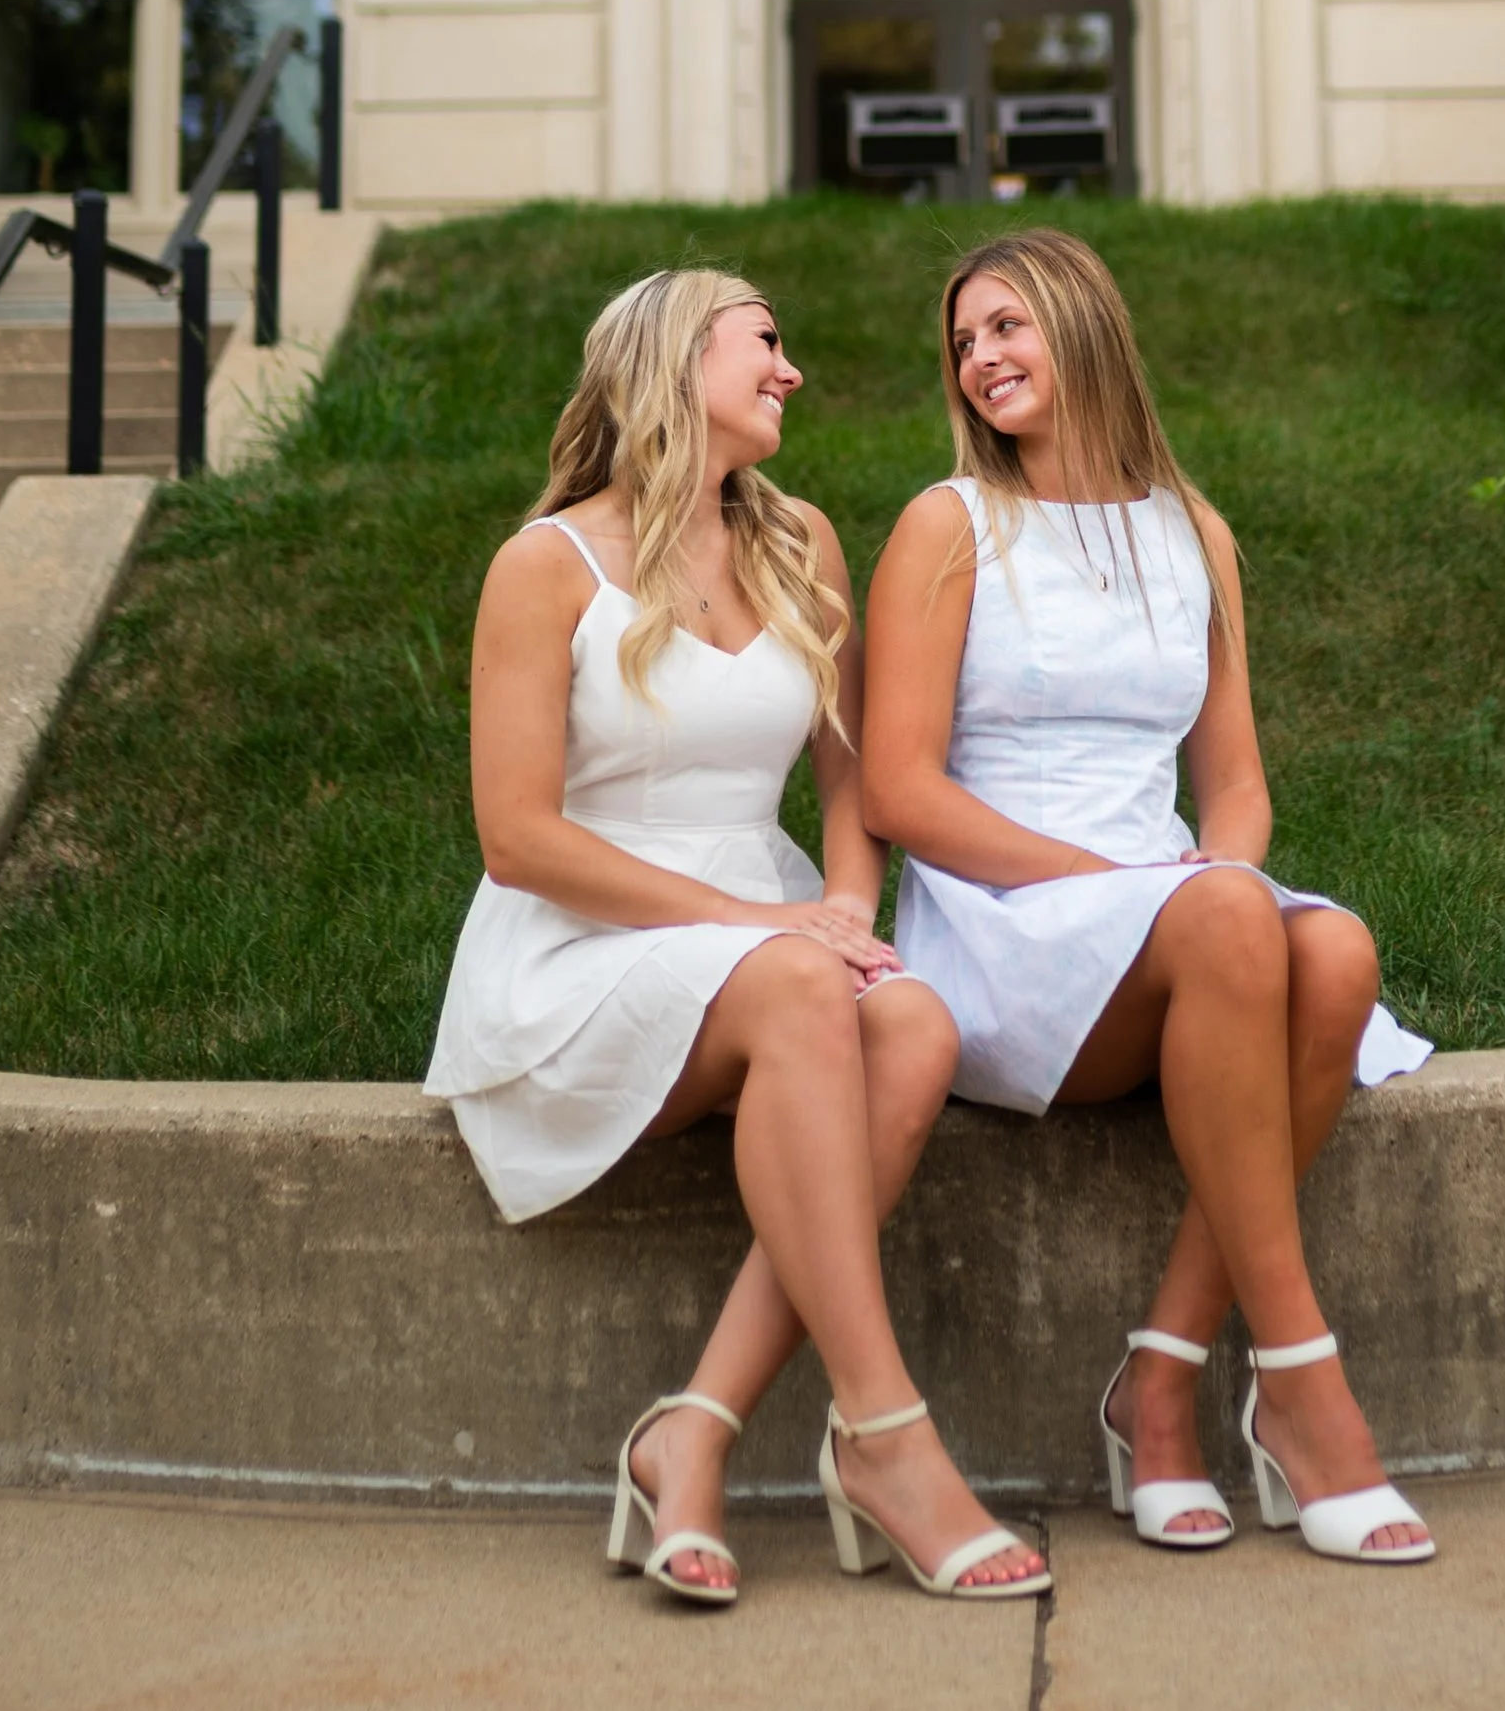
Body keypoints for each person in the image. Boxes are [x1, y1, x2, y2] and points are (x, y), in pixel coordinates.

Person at [426, 266, 1048, 1609]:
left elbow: (847, 779)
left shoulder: (799, 541)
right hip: (579, 952)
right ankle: (888, 1435)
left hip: (757, 941)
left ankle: (690, 1430)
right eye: (766, 343)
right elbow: (517, 839)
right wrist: (772, 925)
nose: (791, 372)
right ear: (671, 359)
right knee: (800, 991)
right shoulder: (546, 568)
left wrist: (843, 908)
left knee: (917, 1019)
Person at [861, 227, 1436, 1567]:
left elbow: (1234, 784)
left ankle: (1162, 1381)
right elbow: (898, 787)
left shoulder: (1197, 534)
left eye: (1007, 326)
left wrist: (1208, 868)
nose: (981, 359)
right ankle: (1305, 1394)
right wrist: (1127, 884)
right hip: (1004, 926)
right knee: (1237, 917)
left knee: (1337, 952)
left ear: (1083, 325)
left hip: (1163, 912)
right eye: (964, 343)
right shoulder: (950, 527)